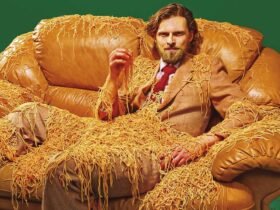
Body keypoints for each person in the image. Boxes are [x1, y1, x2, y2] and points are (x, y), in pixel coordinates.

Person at [41, 3, 258, 210]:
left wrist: (204, 141)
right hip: (113, 142)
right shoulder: (144, 68)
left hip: (155, 155)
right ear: (155, 38)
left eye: (178, 34)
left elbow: (245, 110)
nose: (170, 40)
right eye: (164, 35)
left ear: (190, 36)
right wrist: (113, 77)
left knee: (64, 169)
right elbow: (106, 114)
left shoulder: (206, 67)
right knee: (32, 113)